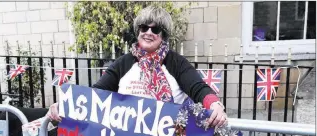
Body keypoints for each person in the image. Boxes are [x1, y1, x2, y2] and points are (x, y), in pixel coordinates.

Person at [47, 6, 227, 127]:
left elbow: (197, 87)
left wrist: (215, 105)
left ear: (163, 35)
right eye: (144, 27)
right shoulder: (123, 63)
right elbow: (96, 92)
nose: (149, 32)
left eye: (155, 29)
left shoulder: (176, 62)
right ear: (138, 31)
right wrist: (65, 104)